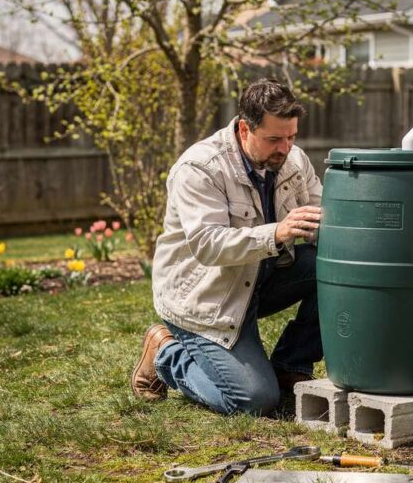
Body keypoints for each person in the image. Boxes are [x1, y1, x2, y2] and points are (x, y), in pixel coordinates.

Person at [130, 78, 324, 415]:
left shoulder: (293, 161)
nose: (285, 148)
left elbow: (324, 214)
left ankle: (290, 366)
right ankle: (166, 352)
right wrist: (277, 232)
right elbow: (207, 245)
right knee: (253, 401)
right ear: (246, 129)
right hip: (207, 298)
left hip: (263, 281)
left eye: (292, 136)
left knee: (337, 268)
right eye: (274, 139)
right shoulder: (199, 169)